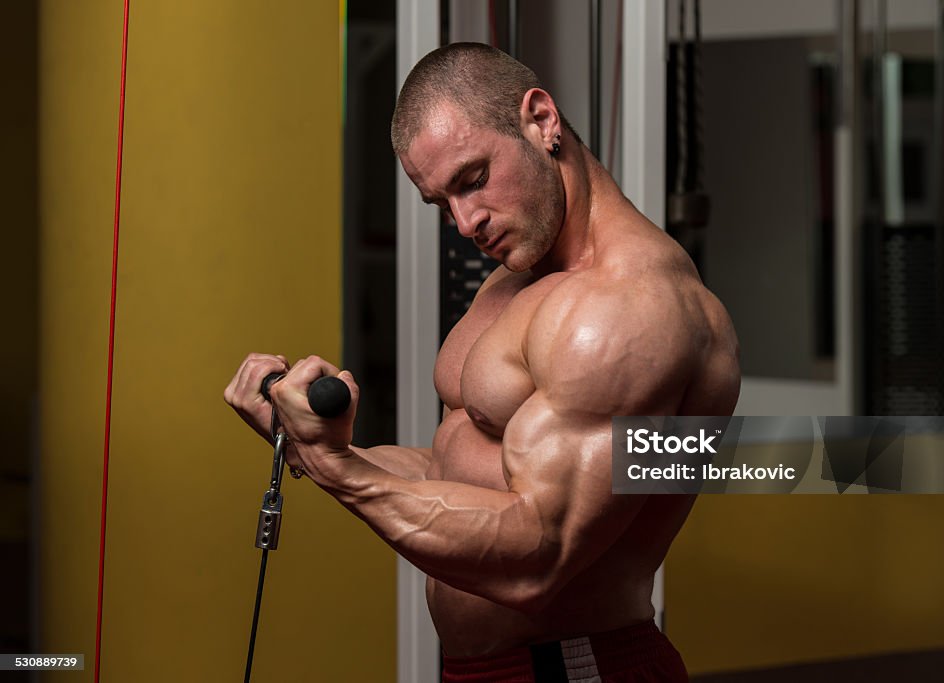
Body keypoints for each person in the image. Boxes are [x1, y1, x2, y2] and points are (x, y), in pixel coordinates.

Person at [225, 42, 739, 682]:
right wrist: (312, 447)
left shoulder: (629, 309)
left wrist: (341, 474)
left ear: (542, 120)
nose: (465, 223)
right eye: (442, 203)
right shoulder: (513, 283)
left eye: (472, 181)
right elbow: (458, 471)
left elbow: (539, 555)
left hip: (575, 668)